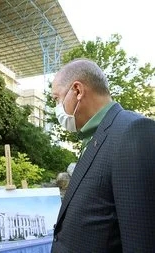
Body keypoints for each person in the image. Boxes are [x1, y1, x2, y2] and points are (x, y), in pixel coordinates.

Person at [51, 59, 155, 252]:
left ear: (78, 91)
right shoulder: (92, 137)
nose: (56, 107)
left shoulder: (132, 131)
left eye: (56, 99)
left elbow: (142, 240)